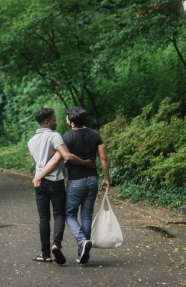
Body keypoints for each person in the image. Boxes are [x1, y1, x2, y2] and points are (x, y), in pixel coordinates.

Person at [28, 107, 93, 265]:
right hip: (55, 182)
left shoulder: (31, 141)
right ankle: (56, 244)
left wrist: (40, 175)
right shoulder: (54, 136)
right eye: (54, 118)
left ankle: (45, 254)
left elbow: (38, 162)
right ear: (47, 121)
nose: (56, 121)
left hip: (39, 181)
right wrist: (86, 163)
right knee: (59, 215)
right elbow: (66, 156)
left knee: (43, 218)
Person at [62, 106, 110, 264]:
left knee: (69, 214)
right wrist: (106, 178)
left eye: (67, 117)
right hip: (92, 180)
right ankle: (83, 254)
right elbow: (103, 159)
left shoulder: (68, 137)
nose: (66, 119)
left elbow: (65, 158)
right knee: (86, 216)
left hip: (76, 181)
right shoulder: (95, 134)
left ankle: (82, 241)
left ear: (72, 121)